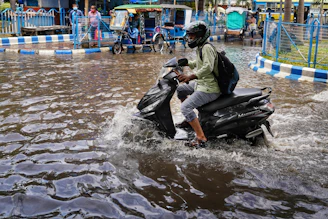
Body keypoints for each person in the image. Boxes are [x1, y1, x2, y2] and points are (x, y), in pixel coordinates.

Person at [176, 21, 220, 148]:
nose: (190, 38)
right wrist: (187, 63)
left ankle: (201, 137)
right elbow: (199, 62)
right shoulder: (201, 47)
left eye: (192, 36)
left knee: (185, 107)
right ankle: (190, 120)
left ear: (200, 35)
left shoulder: (207, 48)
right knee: (181, 90)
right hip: (202, 83)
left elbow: (208, 67)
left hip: (209, 88)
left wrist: (190, 76)